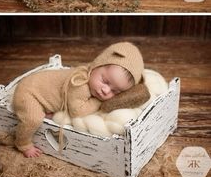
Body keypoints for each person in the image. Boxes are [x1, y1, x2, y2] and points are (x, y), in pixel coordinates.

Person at [12, 42, 144, 157]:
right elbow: (78, 112)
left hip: (41, 92)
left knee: (49, 107)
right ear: (96, 65)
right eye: (105, 81)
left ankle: (46, 107)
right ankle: (22, 143)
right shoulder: (79, 84)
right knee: (33, 118)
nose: (106, 90)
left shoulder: (95, 77)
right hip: (29, 92)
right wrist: (100, 101)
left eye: (115, 91)